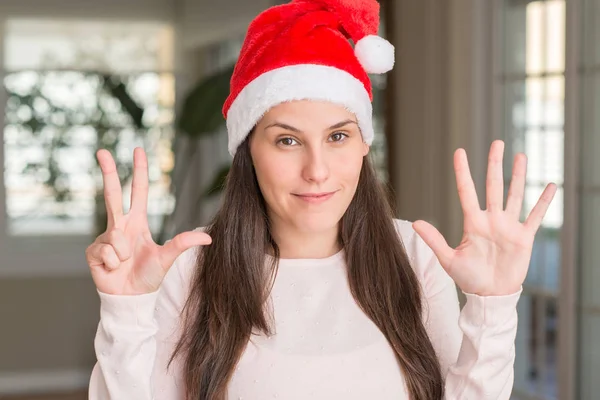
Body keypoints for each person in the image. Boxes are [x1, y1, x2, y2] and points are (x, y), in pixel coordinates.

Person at [86, 0, 557, 399]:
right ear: (248, 149)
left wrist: (492, 307)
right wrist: (126, 311)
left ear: (364, 144)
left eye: (337, 135)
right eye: (287, 140)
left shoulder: (413, 254)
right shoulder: (190, 269)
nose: (317, 170)